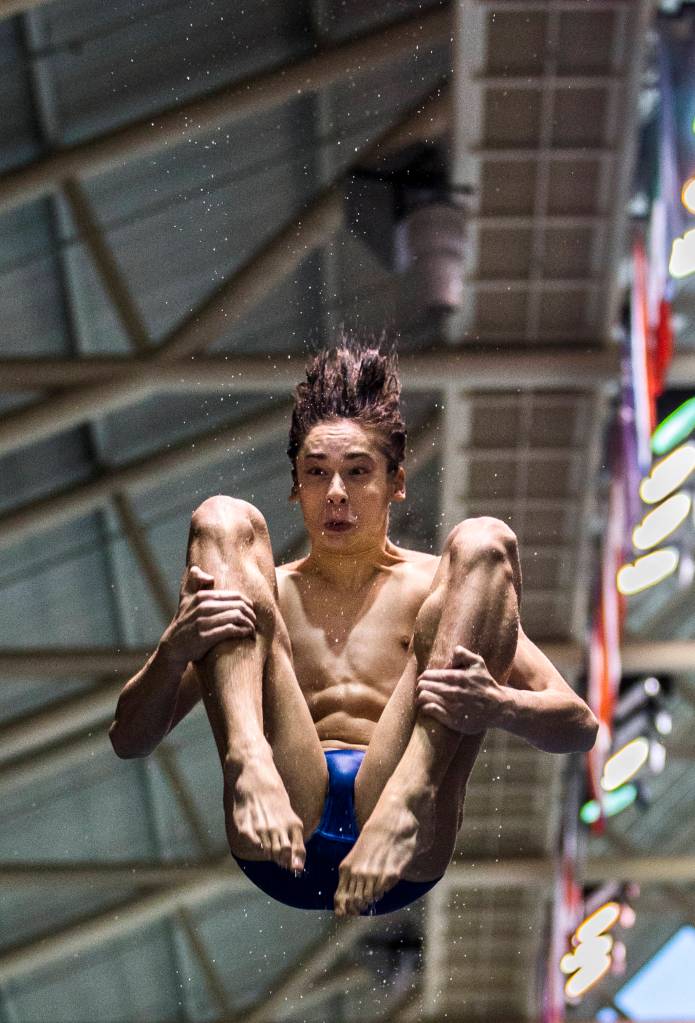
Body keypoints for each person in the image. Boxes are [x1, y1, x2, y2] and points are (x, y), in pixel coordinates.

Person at [109, 336, 598, 918]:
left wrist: (495, 704)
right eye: (316, 473)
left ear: (396, 482)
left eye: (357, 472)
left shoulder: (444, 594)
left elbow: (579, 727)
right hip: (278, 814)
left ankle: (409, 795)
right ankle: (248, 763)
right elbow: (128, 739)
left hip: (402, 830)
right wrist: (173, 650)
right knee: (222, 518)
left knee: (485, 541)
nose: (335, 493)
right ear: (296, 486)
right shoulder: (261, 594)